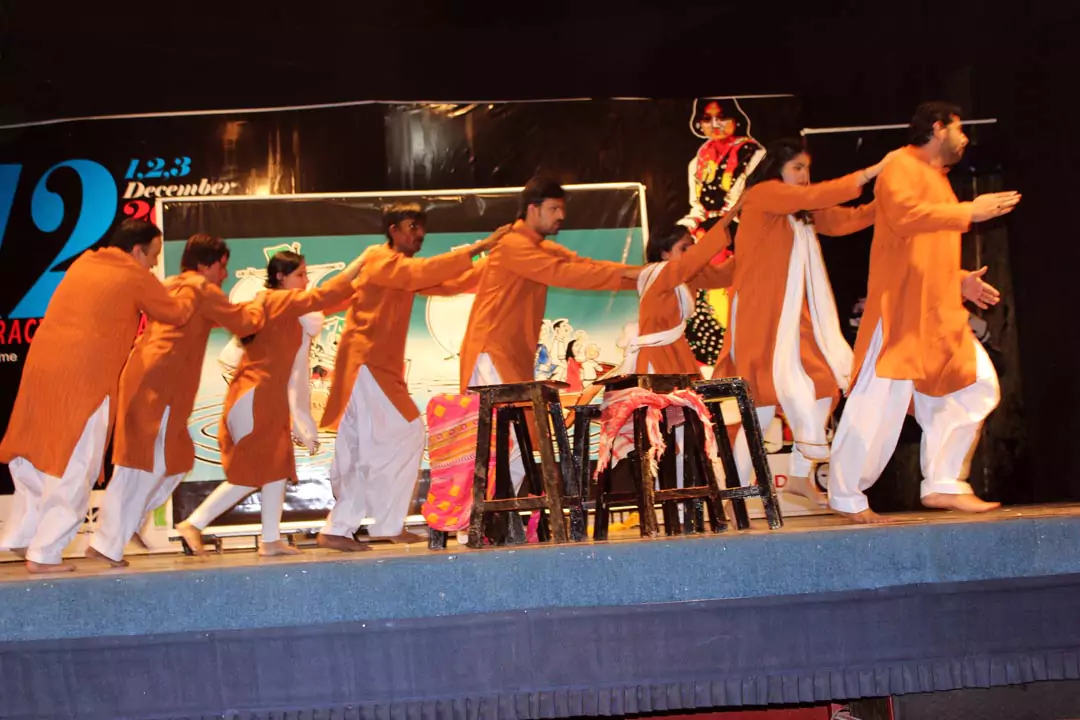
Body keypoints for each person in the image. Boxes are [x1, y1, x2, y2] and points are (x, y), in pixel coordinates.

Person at [827, 102, 1020, 523]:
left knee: (975, 387)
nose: (965, 139)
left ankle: (943, 482)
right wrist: (970, 211)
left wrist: (960, 280)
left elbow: (925, 252)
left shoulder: (937, 178)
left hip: (936, 310)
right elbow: (905, 217)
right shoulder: (900, 164)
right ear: (937, 128)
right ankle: (845, 493)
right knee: (877, 402)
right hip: (900, 308)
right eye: (959, 129)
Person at [0, 218, 203, 573]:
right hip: (84, 381)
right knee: (75, 463)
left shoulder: (84, 263)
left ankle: (22, 535)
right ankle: (44, 553)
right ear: (137, 250)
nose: (154, 264)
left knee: (35, 457)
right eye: (153, 256)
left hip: (41, 371)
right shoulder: (133, 274)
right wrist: (192, 285)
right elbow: (176, 314)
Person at [713, 138, 897, 505]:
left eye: (807, 169)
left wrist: (892, 201)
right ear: (776, 169)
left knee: (820, 386)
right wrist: (871, 173)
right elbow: (817, 196)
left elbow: (847, 218)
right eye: (797, 168)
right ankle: (738, 497)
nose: (804, 175)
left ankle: (796, 476)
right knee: (763, 407)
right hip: (761, 314)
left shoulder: (800, 211)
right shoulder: (763, 195)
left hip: (792, 316)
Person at [316, 204, 504, 552]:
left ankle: (356, 526)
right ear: (393, 229)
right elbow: (424, 272)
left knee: (362, 448)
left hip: (373, 367)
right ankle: (361, 525)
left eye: (421, 228)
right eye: (412, 226)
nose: (420, 234)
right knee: (402, 436)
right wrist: (478, 247)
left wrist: (491, 263)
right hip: (366, 363)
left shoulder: (399, 269)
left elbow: (447, 283)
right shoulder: (381, 261)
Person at [87, 234, 266, 567]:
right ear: (206, 265)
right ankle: (108, 543)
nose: (225, 275)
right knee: (145, 465)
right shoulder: (201, 288)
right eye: (222, 267)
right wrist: (265, 302)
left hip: (147, 380)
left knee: (172, 461)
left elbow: (214, 319)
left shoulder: (172, 285)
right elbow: (244, 323)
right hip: (160, 386)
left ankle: (123, 528)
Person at [175, 249, 367, 555]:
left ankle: (270, 540)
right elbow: (326, 296)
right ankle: (193, 524)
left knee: (277, 467)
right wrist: (360, 264)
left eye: (306, 275)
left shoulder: (287, 310)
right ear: (280, 277)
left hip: (266, 398)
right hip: (254, 397)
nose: (306, 281)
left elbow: (327, 305)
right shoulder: (279, 301)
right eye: (300, 275)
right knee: (252, 473)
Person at [458, 176, 641, 492]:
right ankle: (485, 513)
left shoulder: (535, 247)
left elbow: (582, 264)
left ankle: (501, 512)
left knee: (520, 440)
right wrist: (642, 275)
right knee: (503, 441)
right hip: (492, 353)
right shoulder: (514, 246)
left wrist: (643, 276)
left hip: (510, 357)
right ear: (533, 208)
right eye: (554, 208)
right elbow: (569, 273)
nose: (561, 216)